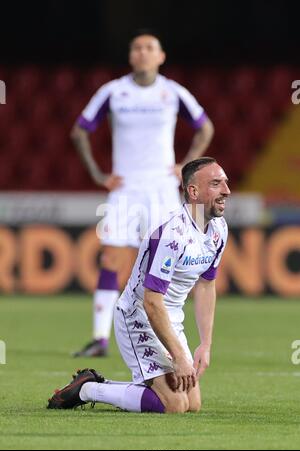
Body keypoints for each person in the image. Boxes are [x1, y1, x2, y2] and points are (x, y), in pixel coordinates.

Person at [71, 30, 214, 357]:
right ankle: (100, 338)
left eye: (150, 48)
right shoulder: (113, 91)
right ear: (131, 55)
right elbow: (79, 131)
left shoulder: (173, 92)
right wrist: (97, 174)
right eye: (137, 47)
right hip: (125, 189)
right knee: (111, 258)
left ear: (160, 56)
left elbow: (205, 127)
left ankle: (166, 332)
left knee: (165, 259)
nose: (143, 52)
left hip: (162, 189)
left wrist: (187, 164)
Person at [47, 157, 230, 413]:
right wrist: (178, 356)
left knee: (193, 405)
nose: (226, 191)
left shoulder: (219, 230)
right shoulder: (170, 234)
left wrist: (205, 345)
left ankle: (111, 387)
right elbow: (152, 301)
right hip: (139, 316)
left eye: (225, 183)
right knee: (175, 404)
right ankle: (88, 388)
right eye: (216, 183)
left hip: (170, 319)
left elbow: (206, 286)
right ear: (193, 191)